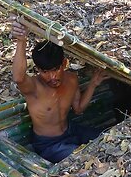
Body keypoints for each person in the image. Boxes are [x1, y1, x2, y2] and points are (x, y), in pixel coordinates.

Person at [11, 19, 108, 163]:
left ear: (64, 64)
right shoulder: (34, 88)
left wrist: (93, 84)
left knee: (108, 138)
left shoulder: (72, 79)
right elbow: (18, 77)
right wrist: (21, 40)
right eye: (45, 72)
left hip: (72, 130)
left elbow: (79, 109)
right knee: (83, 160)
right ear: (38, 70)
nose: (52, 77)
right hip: (49, 145)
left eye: (56, 69)